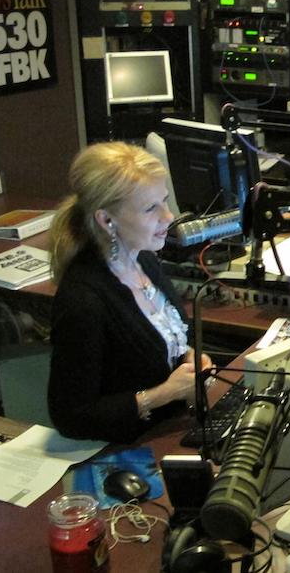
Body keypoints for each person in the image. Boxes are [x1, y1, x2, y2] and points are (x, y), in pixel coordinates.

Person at [48, 142, 212, 444]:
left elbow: (159, 342)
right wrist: (163, 394)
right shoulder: (83, 301)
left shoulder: (144, 258)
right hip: (126, 447)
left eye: (164, 201)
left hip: (170, 430)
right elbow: (70, 416)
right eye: (151, 208)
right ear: (106, 220)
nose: (169, 216)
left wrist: (188, 357)